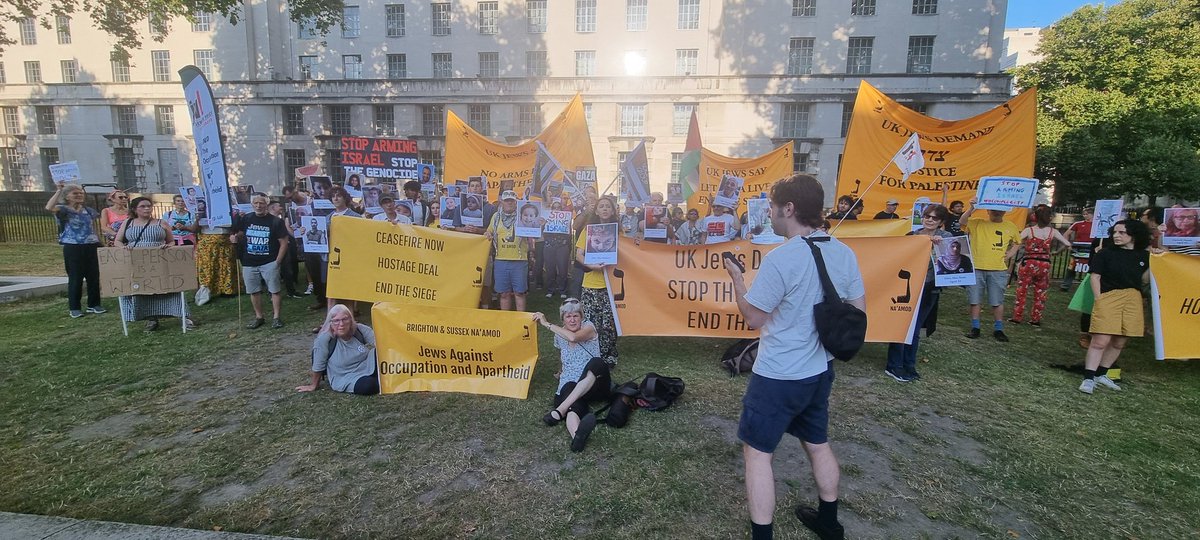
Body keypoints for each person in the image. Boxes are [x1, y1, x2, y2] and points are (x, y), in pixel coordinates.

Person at [724, 174, 863, 540]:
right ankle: (829, 522)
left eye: (771, 206)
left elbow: (754, 318)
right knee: (818, 444)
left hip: (779, 375)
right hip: (820, 370)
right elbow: (857, 309)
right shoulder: (843, 252)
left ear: (788, 208)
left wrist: (738, 283)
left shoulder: (781, 258)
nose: (768, 213)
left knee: (757, 454)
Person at [1078, 219, 1153, 394]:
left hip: (1132, 298)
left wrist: (1155, 263)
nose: (1116, 236)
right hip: (1109, 296)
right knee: (1100, 340)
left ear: (1133, 235)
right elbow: (1095, 277)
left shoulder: (1143, 256)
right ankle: (1089, 378)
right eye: (1115, 232)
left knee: (1119, 341)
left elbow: (1143, 280)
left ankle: (1101, 374)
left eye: (1122, 233)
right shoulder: (1105, 253)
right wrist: (1100, 299)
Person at [886, 204, 954, 382]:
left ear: (940, 222)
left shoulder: (946, 238)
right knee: (902, 325)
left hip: (930, 287)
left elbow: (953, 261)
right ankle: (894, 365)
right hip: (907, 287)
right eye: (927, 216)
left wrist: (941, 246)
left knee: (915, 328)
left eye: (935, 218)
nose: (930, 220)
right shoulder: (912, 236)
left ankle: (909, 364)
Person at [532, 299, 609, 452]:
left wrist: (546, 323)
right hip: (573, 386)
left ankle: (559, 411)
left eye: (576, 316)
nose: (572, 320)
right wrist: (560, 371)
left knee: (596, 362)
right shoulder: (560, 334)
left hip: (596, 385)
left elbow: (573, 337)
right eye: (568, 316)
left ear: (581, 317)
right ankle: (577, 437)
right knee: (572, 401)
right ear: (563, 319)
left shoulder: (589, 328)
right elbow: (562, 354)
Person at [115, 197, 196, 331]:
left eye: (149, 206)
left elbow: (171, 241)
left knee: (168, 288)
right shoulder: (128, 223)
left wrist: (167, 246)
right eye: (143, 206)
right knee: (142, 290)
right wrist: (123, 248)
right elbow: (118, 240)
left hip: (159, 259)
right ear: (135, 209)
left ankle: (182, 316)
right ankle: (151, 318)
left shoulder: (161, 223)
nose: (147, 209)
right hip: (137, 261)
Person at [960, 198, 1020, 342]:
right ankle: (975, 327)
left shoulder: (1010, 226)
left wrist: (1010, 254)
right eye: (993, 209)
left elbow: (1018, 242)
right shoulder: (977, 222)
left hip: (998, 269)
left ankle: (998, 329)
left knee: (997, 300)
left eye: (999, 209)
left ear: (1005, 211)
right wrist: (972, 207)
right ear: (988, 210)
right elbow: (962, 222)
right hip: (976, 268)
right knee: (975, 300)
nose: (997, 212)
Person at [45, 182, 106, 318]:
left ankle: (94, 304)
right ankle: (75, 307)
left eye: (81, 193)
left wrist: (99, 242)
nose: (79, 195)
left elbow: (92, 228)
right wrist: (58, 191)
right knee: (75, 277)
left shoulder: (88, 210)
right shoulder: (63, 209)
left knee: (93, 276)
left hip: (91, 245)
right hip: (73, 247)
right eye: (75, 193)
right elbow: (49, 207)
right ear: (67, 196)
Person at [230, 193, 290, 329]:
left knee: (274, 290)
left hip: (269, 261)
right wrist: (235, 238)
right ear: (252, 205)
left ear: (266, 205)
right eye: (256, 203)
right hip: (249, 261)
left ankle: (276, 317)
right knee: (253, 291)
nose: (258, 206)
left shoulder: (276, 221)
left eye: (261, 203)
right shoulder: (246, 219)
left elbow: (284, 242)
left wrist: (277, 261)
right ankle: (259, 316)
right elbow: (239, 233)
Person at [575, 196, 621, 366]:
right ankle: (590, 354)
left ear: (613, 210)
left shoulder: (618, 232)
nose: (604, 209)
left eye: (608, 206)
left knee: (608, 323)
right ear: (596, 210)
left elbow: (626, 253)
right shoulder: (587, 231)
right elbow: (579, 254)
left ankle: (608, 355)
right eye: (601, 206)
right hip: (590, 283)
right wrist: (592, 265)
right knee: (591, 322)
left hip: (611, 284)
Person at [1008, 206, 1072, 326]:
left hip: (1029, 262)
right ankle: (1035, 318)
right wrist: (1057, 252)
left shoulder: (1029, 231)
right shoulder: (1053, 232)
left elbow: (1016, 241)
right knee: (1040, 292)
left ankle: (1017, 316)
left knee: (1022, 290)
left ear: (1035, 217)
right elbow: (1067, 244)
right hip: (1044, 264)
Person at [297, 304, 379, 395]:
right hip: (345, 376)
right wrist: (313, 385)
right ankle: (380, 380)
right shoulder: (325, 339)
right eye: (336, 321)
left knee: (381, 353)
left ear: (351, 320)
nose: (341, 324)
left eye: (345, 319)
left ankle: (382, 378)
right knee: (368, 386)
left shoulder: (359, 329)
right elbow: (318, 363)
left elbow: (380, 343)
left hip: (367, 366)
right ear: (330, 323)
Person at [486, 191, 533, 311]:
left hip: (519, 260)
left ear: (516, 202)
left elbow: (534, 234)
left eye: (512, 200)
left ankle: (521, 322)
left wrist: (539, 226)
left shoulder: (523, 215)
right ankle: (505, 321)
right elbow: (489, 231)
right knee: (504, 293)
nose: (509, 203)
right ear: (502, 202)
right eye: (507, 200)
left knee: (519, 293)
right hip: (500, 260)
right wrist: (487, 233)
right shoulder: (496, 216)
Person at [1060, 207, 1095, 291]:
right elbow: (1066, 234)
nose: (1085, 216)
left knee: (1091, 268)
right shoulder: (1078, 224)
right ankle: (1065, 286)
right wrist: (1068, 245)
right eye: (1084, 214)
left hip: (1092, 249)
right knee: (1072, 267)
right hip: (1077, 249)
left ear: (1092, 214)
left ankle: (1089, 286)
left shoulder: (1097, 224)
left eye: (1087, 214)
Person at [543, 200, 571, 299]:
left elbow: (569, 234)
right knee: (550, 269)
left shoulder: (565, 219)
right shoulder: (547, 219)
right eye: (554, 207)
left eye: (558, 207)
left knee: (563, 269)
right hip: (549, 245)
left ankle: (563, 290)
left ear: (561, 209)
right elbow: (542, 232)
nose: (556, 209)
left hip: (562, 246)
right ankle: (550, 289)